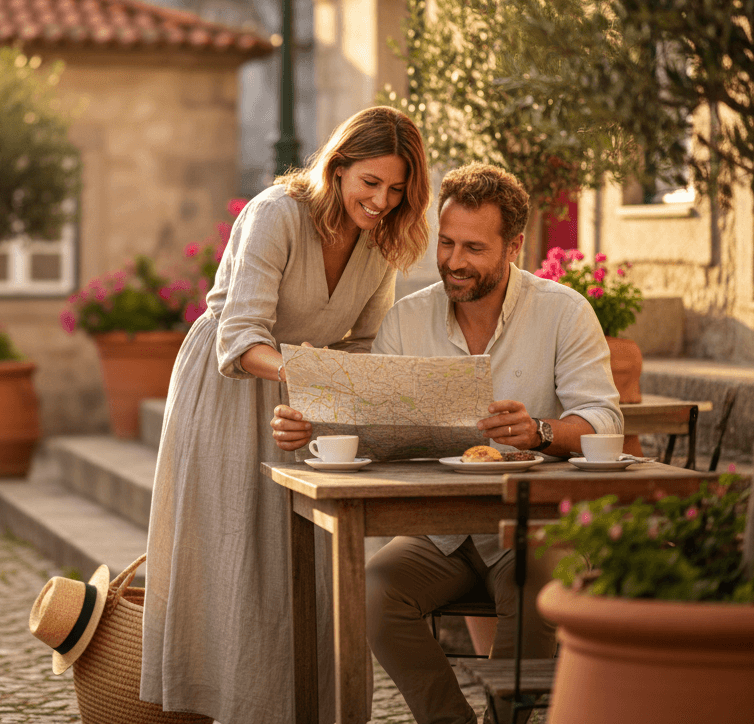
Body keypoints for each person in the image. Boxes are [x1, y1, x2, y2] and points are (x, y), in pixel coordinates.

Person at [272, 163, 623, 724]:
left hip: (533, 525)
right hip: (443, 533)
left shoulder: (564, 312)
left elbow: (604, 422)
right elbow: (371, 422)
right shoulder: (406, 320)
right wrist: (311, 426)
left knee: (538, 581)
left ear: (514, 247)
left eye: (474, 248)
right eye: (447, 242)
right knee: (372, 594)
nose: (455, 261)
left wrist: (539, 432)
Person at [140, 105, 432, 724]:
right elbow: (240, 337)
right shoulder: (277, 214)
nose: (381, 201)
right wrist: (314, 376)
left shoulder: (381, 243)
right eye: (370, 183)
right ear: (338, 167)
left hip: (305, 400)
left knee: (304, 563)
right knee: (233, 552)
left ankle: (297, 710)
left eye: (397, 189)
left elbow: (361, 345)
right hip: (230, 390)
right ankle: (226, 707)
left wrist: (360, 396)